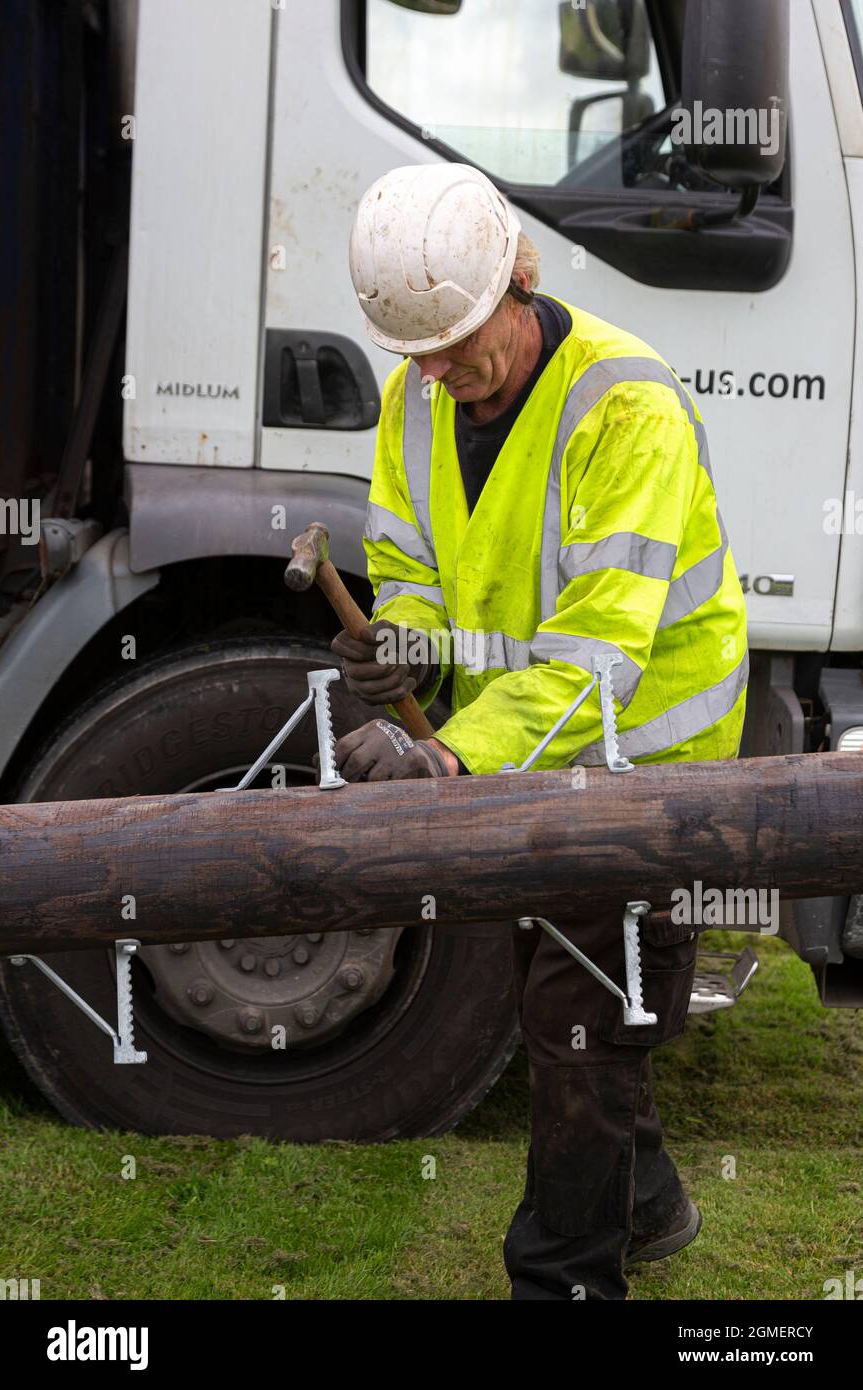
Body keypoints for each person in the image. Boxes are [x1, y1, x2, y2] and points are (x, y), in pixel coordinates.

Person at [331, 162, 748, 1299]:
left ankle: (562, 1278)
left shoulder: (625, 405)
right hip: (524, 754)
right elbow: (414, 569)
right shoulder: (417, 393)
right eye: (417, 352)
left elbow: (597, 652)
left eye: (460, 341)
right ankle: (648, 1200)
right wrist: (401, 646)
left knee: (578, 1019)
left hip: (641, 768)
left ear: (519, 277)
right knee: (570, 1000)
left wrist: (446, 751)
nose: (441, 373)